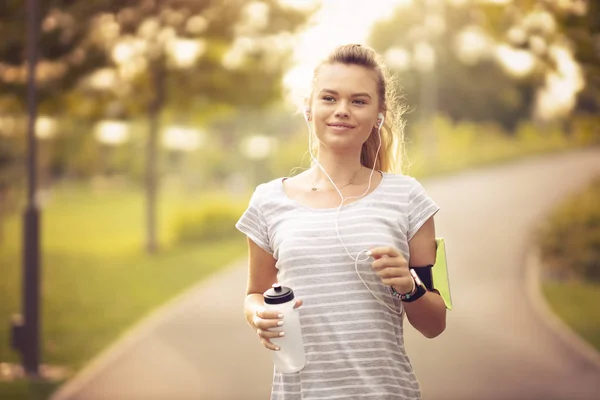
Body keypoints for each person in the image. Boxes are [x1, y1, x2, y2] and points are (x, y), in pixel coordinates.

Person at [236, 44, 447, 400]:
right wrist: (258, 315)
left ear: (379, 115)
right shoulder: (268, 201)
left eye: (359, 101)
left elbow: (436, 323)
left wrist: (409, 287)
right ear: (309, 108)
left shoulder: (409, 198)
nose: (342, 111)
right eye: (329, 98)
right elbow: (254, 293)